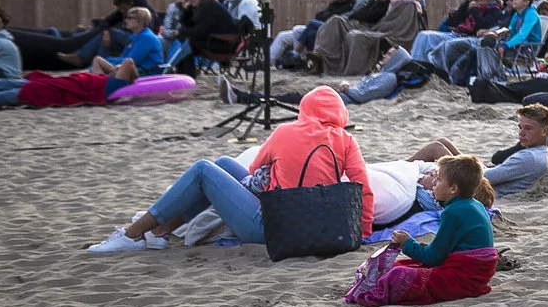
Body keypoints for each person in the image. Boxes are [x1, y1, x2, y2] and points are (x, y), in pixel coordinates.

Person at [88, 85, 374, 251]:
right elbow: (364, 188)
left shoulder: (285, 131)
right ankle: (161, 232)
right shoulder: (346, 139)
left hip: (273, 228)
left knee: (203, 170)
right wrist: (364, 232)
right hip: (312, 223)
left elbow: (254, 167)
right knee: (223, 164)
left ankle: (132, 235)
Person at [348, 155, 501, 307]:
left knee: (396, 275)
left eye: (439, 179)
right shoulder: (474, 205)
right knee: (399, 265)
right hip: (475, 274)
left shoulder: (453, 212)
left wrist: (407, 243)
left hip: (464, 278)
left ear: (453, 189)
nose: (433, 182)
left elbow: (434, 258)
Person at [409, 102, 548, 203]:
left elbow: (483, 177)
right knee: (443, 142)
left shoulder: (530, 158)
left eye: (528, 128)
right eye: (520, 127)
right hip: (483, 182)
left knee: (435, 148)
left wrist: (464, 164)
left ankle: (398, 167)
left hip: (479, 192)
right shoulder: (541, 154)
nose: (521, 133)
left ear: (545, 131)